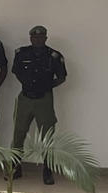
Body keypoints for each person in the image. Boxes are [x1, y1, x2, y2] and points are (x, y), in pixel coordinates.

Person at [12, 26, 67, 184]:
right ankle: (15, 167)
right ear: (30, 38)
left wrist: (46, 86)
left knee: (47, 136)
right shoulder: (21, 53)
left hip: (44, 99)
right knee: (18, 134)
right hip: (25, 98)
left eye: (41, 37)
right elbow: (16, 72)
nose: (38, 39)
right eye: (34, 37)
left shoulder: (54, 56)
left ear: (46, 38)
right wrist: (29, 85)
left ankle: (47, 171)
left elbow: (62, 77)